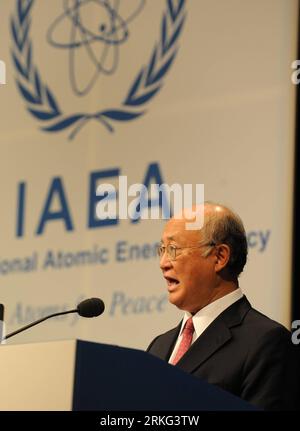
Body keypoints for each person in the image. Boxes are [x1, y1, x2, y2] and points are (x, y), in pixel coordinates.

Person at [147, 202, 300, 410]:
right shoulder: (159, 346)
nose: (163, 262)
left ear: (219, 257)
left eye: (174, 249)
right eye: (162, 250)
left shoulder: (266, 342)